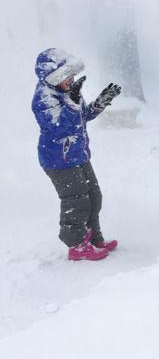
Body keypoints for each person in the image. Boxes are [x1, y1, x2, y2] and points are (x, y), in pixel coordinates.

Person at [32, 48, 123, 261]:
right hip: (58, 160)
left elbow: (81, 117)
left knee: (93, 196)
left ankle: (94, 239)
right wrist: (72, 104)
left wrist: (101, 102)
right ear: (53, 77)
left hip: (77, 154)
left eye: (72, 75)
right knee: (76, 200)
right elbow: (59, 127)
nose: (71, 79)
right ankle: (77, 246)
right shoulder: (43, 98)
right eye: (66, 76)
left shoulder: (68, 92)